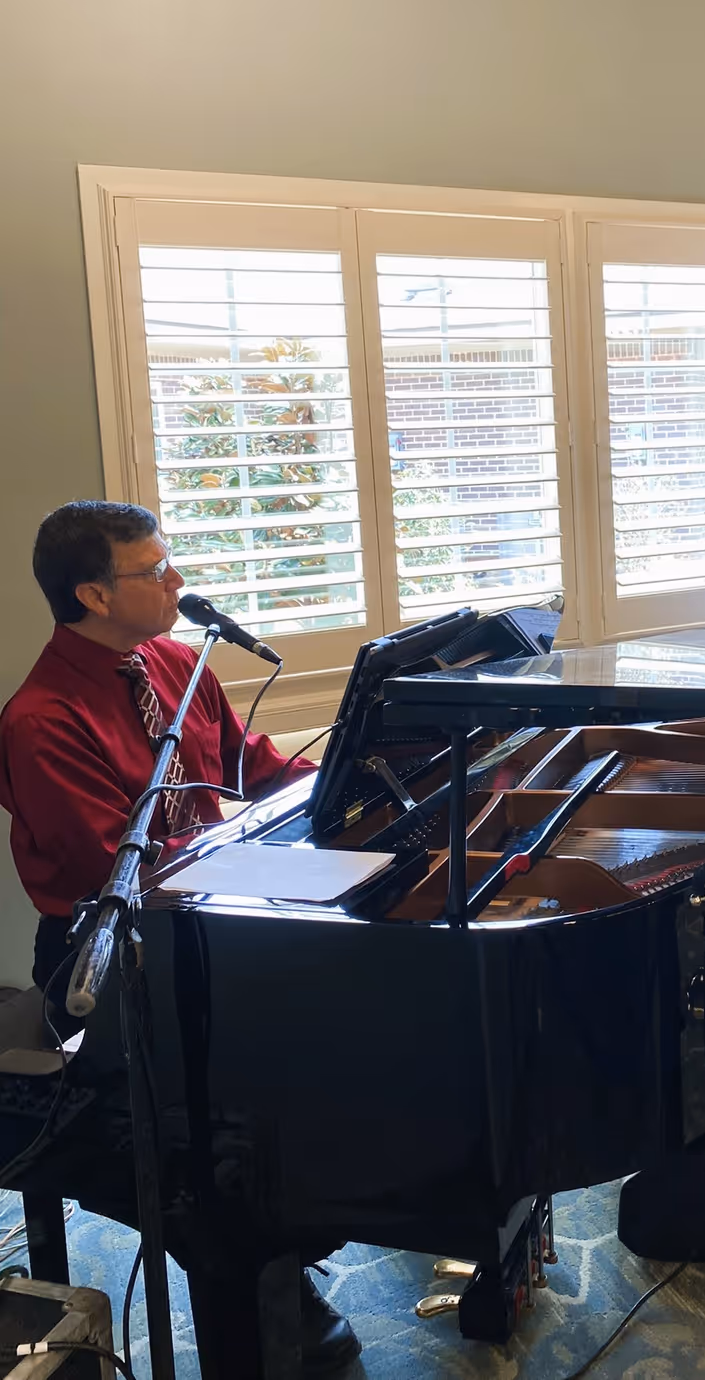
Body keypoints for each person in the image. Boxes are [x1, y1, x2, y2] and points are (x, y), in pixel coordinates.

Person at [0, 500, 359, 1375]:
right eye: (154, 570)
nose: (178, 581)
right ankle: (264, 1267)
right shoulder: (40, 721)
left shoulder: (170, 658)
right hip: (111, 964)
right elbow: (122, 877)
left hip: (210, 928)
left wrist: (353, 783)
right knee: (228, 1141)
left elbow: (249, 767)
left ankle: (296, 1231)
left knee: (343, 1030)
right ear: (91, 592)